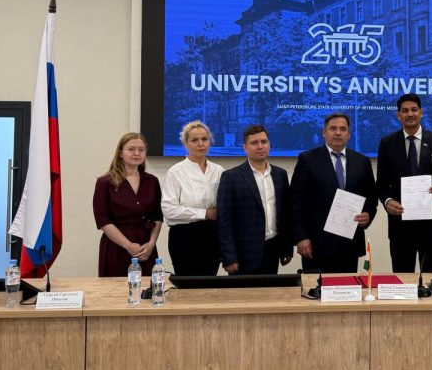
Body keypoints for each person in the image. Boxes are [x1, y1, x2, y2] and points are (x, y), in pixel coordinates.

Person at [376, 93, 432, 273]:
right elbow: (381, 185)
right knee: (403, 281)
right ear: (398, 115)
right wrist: (387, 201)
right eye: (405, 111)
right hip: (400, 227)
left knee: (431, 280)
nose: (410, 114)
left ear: (421, 112)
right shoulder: (387, 143)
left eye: (414, 110)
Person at [291, 113, 377, 273]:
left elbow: (371, 199)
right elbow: (295, 201)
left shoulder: (362, 162)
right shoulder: (307, 159)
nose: (338, 133)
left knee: (347, 287)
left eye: (343, 129)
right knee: (316, 289)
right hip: (316, 245)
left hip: (349, 244)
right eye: (333, 128)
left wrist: (368, 215)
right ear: (324, 132)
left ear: (349, 134)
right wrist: (301, 237)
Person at [217, 125, 293, 274]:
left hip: (273, 249)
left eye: (264, 142)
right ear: (245, 147)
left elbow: (285, 213)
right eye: (254, 143)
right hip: (243, 254)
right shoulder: (231, 177)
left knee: (271, 289)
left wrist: (287, 248)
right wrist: (229, 257)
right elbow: (224, 221)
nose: (260, 146)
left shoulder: (280, 175)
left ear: (269, 145)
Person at [93, 132, 163, 277]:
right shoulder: (104, 182)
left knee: (148, 288)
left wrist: (151, 243)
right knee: (115, 289)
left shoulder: (152, 181)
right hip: (116, 247)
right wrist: (128, 245)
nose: (137, 153)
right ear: (120, 153)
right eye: (131, 149)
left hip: (145, 249)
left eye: (141, 150)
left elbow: (157, 216)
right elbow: (103, 220)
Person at [161, 121, 224, 276]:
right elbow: (169, 210)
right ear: (186, 143)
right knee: (187, 285)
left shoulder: (219, 171)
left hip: (212, 236)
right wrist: (205, 213)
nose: (200, 144)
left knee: (209, 284)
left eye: (204, 139)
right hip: (184, 237)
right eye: (194, 140)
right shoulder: (175, 172)